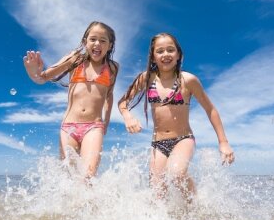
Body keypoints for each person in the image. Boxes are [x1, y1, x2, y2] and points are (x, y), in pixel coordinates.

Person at [118, 32, 234, 202]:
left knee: (177, 174)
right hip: (158, 143)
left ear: (178, 54)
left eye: (170, 50)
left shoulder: (188, 80)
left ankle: (194, 204)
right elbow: (123, 102)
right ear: (153, 56)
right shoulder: (146, 79)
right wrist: (128, 117)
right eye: (160, 51)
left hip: (183, 139)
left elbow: (211, 110)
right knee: (158, 193)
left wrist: (223, 142)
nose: (165, 55)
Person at [23, 21, 119, 181]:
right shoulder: (75, 59)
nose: (97, 44)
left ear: (109, 45)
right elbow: (43, 77)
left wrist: (106, 124)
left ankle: (92, 205)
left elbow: (109, 95)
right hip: (68, 127)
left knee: (88, 176)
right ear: (85, 42)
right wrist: (34, 72)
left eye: (103, 40)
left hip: (94, 127)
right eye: (93, 39)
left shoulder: (113, 67)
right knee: (69, 178)